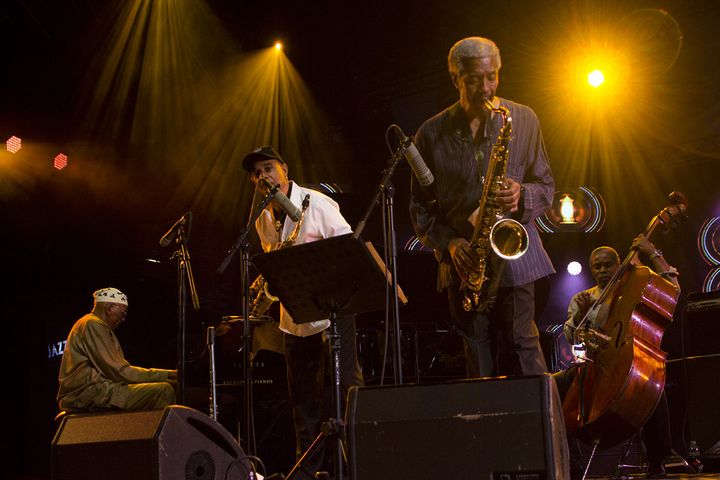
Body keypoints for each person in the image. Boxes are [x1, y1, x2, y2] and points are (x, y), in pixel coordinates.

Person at [409, 36, 555, 377]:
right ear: (455, 79)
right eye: (475, 80)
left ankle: (543, 429)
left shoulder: (523, 118)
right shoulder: (430, 133)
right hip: (465, 265)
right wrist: (450, 243)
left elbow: (547, 187)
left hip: (515, 259)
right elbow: (419, 208)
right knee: (478, 361)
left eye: (493, 76)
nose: (486, 88)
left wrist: (523, 195)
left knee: (524, 346)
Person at [241, 145, 364, 480]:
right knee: (302, 403)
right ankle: (308, 473)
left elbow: (347, 252)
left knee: (346, 393)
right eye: (256, 173)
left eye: (268, 168)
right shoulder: (262, 218)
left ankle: (360, 464)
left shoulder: (318, 203)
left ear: (284, 169)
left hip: (333, 314)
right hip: (293, 319)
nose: (262, 176)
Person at [558, 235, 679, 477]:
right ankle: (568, 460)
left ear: (618, 264)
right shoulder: (585, 298)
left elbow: (672, 289)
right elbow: (573, 340)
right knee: (551, 386)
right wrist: (579, 317)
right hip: (594, 364)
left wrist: (652, 251)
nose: (603, 270)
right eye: (597, 266)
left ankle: (659, 460)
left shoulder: (634, 286)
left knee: (652, 385)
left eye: (608, 264)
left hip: (627, 359)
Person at [57, 287, 177, 413]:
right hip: (87, 394)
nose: (123, 318)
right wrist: (168, 375)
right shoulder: (93, 324)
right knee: (163, 391)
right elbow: (119, 372)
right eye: (123, 313)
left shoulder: (89, 323)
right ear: (109, 308)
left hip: (94, 391)